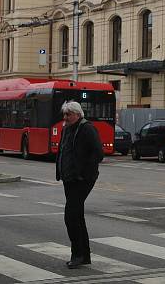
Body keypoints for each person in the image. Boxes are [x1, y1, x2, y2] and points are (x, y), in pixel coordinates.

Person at [55, 101, 103, 268]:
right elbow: (63, 150)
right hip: (69, 179)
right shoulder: (66, 129)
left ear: (77, 114)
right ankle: (84, 255)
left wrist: (84, 174)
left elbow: (98, 153)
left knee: (71, 216)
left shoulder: (86, 128)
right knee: (77, 216)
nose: (65, 117)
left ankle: (78, 254)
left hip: (81, 180)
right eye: (64, 114)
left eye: (68, 114)